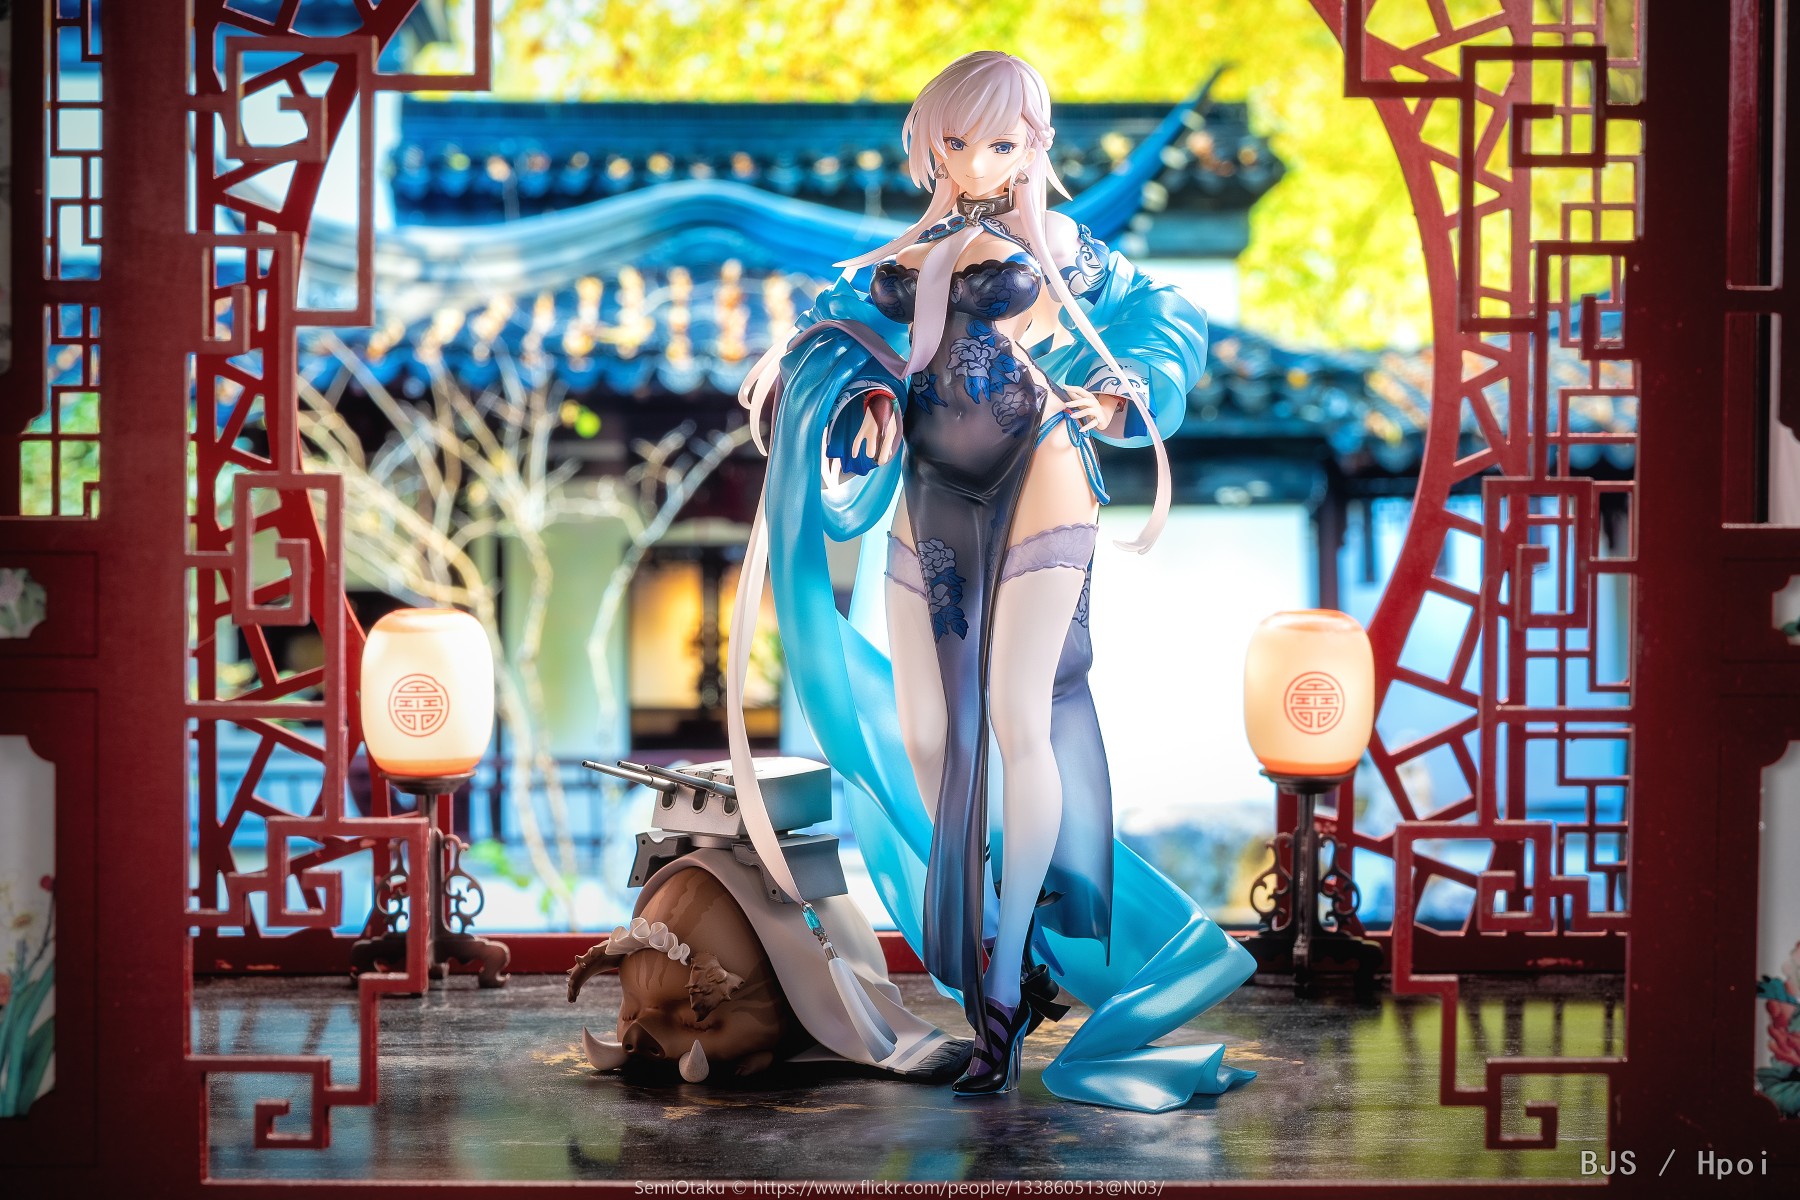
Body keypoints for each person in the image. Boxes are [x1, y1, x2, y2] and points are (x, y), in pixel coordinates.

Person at [724, 50, 1258, 1110]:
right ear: (932, 144)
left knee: (1019, 716)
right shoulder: (903, 251)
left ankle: (1007, 980)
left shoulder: (1059, 245)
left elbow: (1165, 313)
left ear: (1033, 142)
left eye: (1000, 142)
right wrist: (822, 375)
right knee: (926, 733)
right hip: (928, 487)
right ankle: (993, 940)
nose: (976, 162)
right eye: (957, 142)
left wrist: (1124, 386)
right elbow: (841, 330)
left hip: (1041, 472)